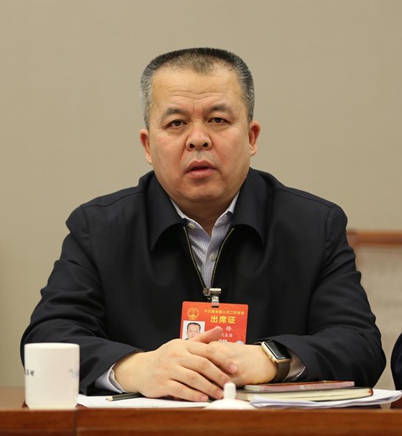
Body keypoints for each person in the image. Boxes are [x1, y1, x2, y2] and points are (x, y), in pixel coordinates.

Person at [21, 47, 385, 402]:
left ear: (251, 137)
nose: (198, 139)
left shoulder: (314, 226)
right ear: (148, 145)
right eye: (176, 123)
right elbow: (48, 336)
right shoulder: (100, 228)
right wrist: (138, 368)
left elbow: (360, 345)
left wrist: (270, 359)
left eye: (218, 120)